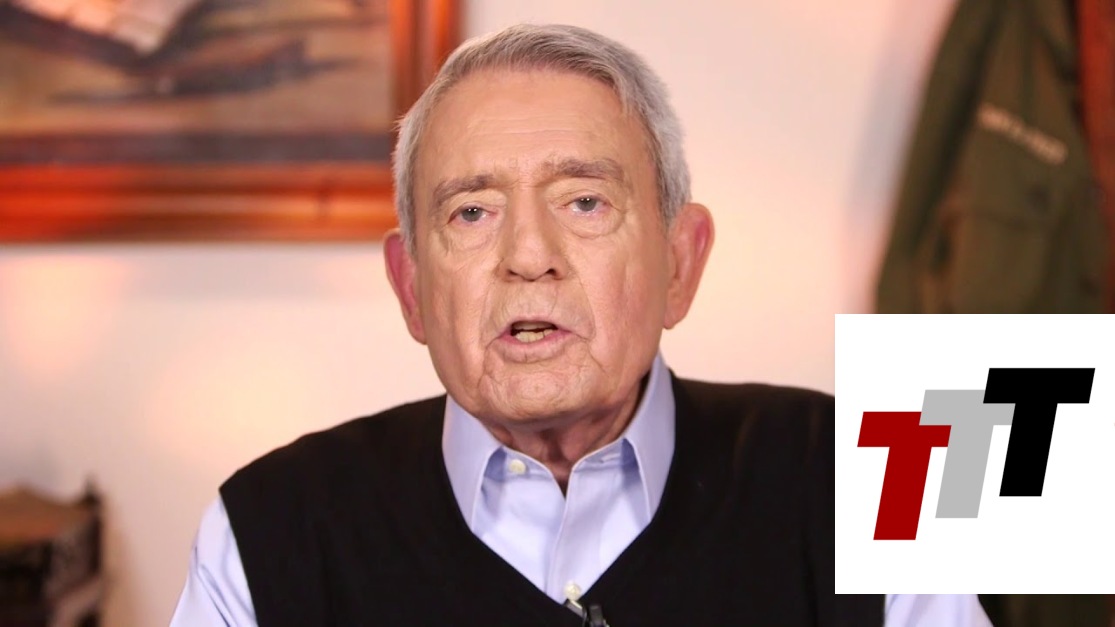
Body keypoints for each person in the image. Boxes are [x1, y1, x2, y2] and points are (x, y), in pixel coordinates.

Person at [170, 24, 991, 626]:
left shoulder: (877, 471)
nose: (529, 256)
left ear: (680, 262)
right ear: (410, 286)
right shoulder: (267, 526)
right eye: (471, 211)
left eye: (585, 202)